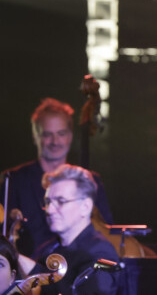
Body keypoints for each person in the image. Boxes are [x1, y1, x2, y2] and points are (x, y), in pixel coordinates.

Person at [0, 98, 113, 258]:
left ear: (70, 136)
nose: (55, 141)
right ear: (35, 136)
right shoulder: (13, 180)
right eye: (47, 134)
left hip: (77, 268)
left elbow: (107, 231)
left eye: (61, 134)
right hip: (27, 273)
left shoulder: (90, 180)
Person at [18, 164, 119, 295]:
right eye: (48, 202)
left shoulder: (100, 253)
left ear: (85, 206)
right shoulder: (51, 249)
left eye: (61, 201)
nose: (50, 210)